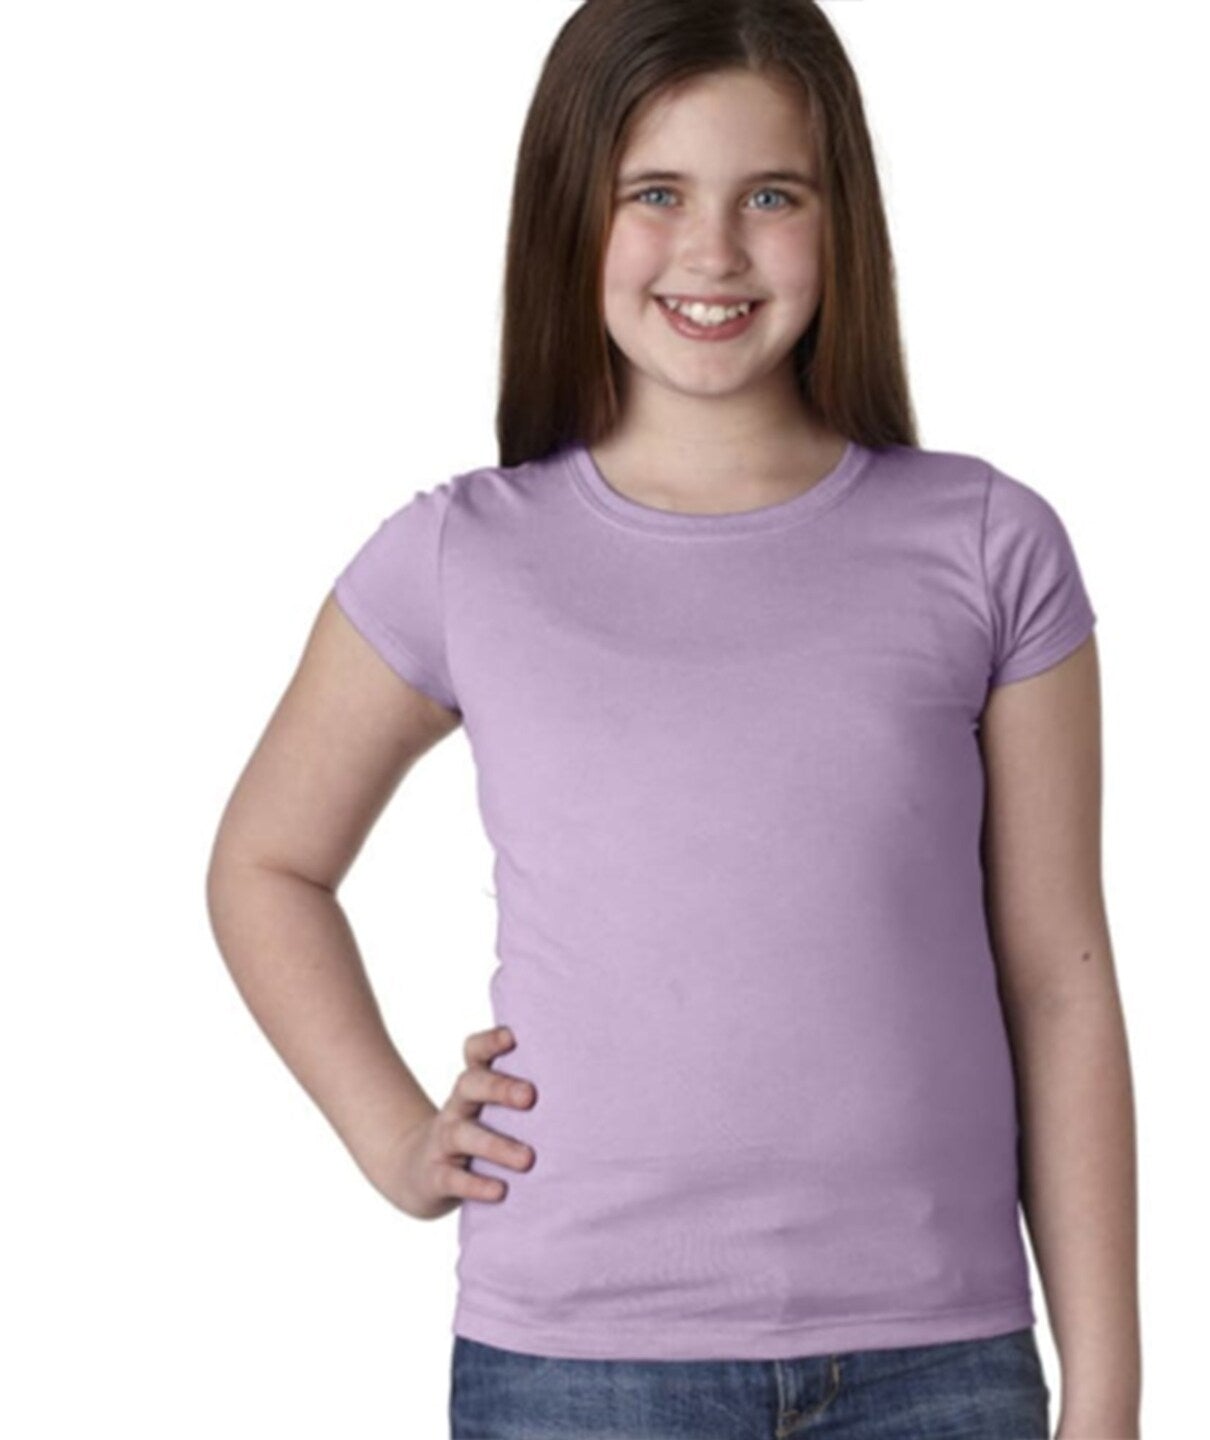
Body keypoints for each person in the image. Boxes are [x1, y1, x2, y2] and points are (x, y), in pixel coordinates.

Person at [206, 1, 1141, 1436]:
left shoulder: (986, 543)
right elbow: (266, 865)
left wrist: (1109, 1390)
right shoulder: (463, 554)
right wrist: (396, 1140)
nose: (713, 251)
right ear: (570, 214)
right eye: (656, 194)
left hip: (937, 1361)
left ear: (842, 220)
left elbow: (1059, 980)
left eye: (772, 196)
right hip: (577, 1368)